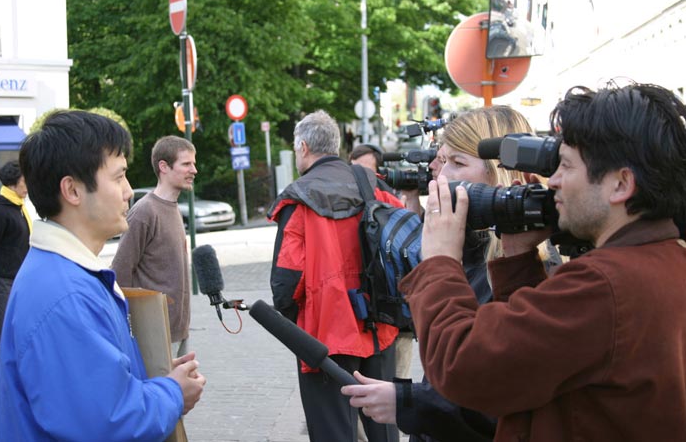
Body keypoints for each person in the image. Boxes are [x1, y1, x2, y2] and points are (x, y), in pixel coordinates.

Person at [401, 82, 686, 441]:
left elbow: (463, 368)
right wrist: (518, 260)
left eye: (565, 166)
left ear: (620, 184)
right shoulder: (665, 260)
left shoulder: (605, 284)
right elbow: (529, 366)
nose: (553, 182)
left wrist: (440, 260)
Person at [0, 110, 206, 440]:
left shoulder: (65, 275)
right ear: (72, 190)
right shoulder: (65, 296)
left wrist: (157, 381)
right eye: (119, 177)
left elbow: (100, 393)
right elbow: (108, 423)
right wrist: (172, 394)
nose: (129, 191)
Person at [343, 105, 535, 442]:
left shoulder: (519, 269)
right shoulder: (470, 252)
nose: (439, 176)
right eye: (441, 161)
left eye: (456, 162)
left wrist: (408, 402)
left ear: (500, 177)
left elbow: (494, 395)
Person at [268, 110, 402, 442]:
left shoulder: (298, 197)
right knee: (384, 428)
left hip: (324, 336)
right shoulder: (373, 184)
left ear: (303, 147)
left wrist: (300, 322)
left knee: (333, 432)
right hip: (378, 327)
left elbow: (285, 283)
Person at [112, 135, 197, 357]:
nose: (194, 170)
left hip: (179, 331)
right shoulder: (144, 212)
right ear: (164, 167)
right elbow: (120, 272)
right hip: (154, 334)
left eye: (193, 164)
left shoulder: (173, 208)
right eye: (186, 164)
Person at [0, 161, 31, 411]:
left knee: (8, 337)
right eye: (25, 180)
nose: (28, 185)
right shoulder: (1, 212)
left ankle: (1, 389)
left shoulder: (17, 209)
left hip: (13, 282)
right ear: (14, 182)